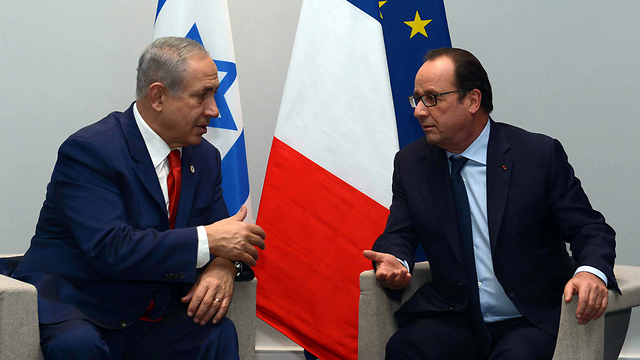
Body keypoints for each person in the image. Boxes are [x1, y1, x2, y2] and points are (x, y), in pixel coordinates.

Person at [12, 37, 265, 360]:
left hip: (148, 310)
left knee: (215, 335)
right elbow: (111, 249)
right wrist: (209, 242)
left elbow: (225, 237)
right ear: (158, 96)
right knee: (77, 346)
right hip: (80, 304)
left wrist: (222, 266)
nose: (214, 111)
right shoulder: (92, 150)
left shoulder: (204, 159)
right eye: (202, 95)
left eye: (215, 94)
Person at [363, 47, 618, 360]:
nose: (419, 111)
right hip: (455, 316)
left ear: (472, 100)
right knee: (406, 348)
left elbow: (590, 229)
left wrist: (591, 272)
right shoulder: (412, 163)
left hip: (528, 319)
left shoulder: (536, 155)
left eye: (432, 98)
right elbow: (399, 234)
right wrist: (396, 261)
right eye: (417, 99)